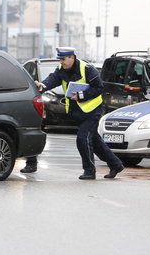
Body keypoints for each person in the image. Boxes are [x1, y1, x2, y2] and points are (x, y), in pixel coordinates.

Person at [35, 47, 125, 180]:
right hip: (78, 113)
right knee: (95, 141)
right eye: (60, 59)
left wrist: (81, 95)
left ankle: (89, 170)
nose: (61, 62)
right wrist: (43, 85)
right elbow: (53, 79)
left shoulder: (87, 69)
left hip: (92, 111)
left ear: (72, 57)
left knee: (82, 138)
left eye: (64, 59)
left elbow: (99, 88)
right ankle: (115, 164)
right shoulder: (61, 70)